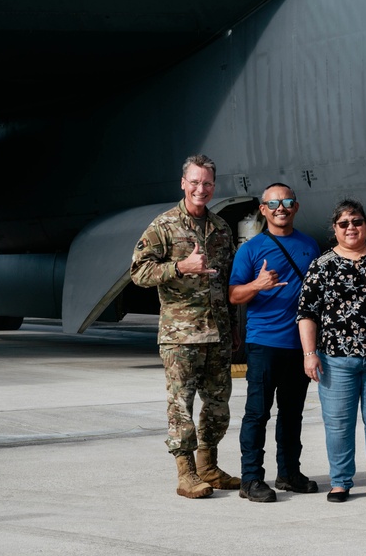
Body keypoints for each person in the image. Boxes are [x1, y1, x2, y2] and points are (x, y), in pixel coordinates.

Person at [130, 154, 241, 499]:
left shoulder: (221, 229)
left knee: (218, 404)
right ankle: (186, 473)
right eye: (194, 182)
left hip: (218, 334)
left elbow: (227, 284)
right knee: (181, 405)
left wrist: (234, 328)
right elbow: (138, 272)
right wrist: (180, 267)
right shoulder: (164, 226)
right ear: (183, 183)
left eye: (207, 183)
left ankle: (208, 466)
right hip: (181, 336)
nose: (201, 189)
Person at [297, 200, 366, 504]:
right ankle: (341, 481)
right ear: (335, 229)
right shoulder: (322, 265)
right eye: (344, 223)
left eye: (356, 221)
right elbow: (307, 312)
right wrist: (309, 353)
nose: (351, 228)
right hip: (335, 360)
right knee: (338, 423)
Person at [229, 183, 320, 503]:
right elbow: (234, 294)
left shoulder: (310, 245)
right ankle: (251, 478)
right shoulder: (251, 249)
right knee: (257, 413)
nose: (282, 207)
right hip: (264, 343)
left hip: (299, 345)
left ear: (296, 206)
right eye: (274, 203)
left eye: (288, 202)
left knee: (292, 413)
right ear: (264, 210)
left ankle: (288, 473)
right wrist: (258, 283)